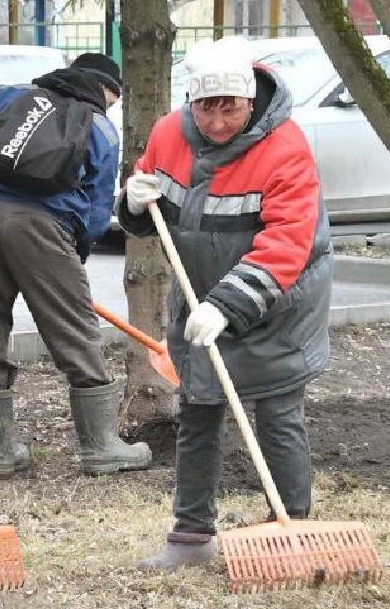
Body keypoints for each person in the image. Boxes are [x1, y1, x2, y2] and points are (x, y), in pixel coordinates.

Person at [117, 37, 332, 571]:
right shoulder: (171, 134)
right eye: (204, 107)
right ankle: (190, 538)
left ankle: (294, 531)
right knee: (199, 407)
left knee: (278, 411)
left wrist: (228, 305)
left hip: (282, 296)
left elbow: (286, 243)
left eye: (228, 107)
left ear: (249, 99)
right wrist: (134, 201)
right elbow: (157, 211)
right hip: (198, 290)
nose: (215, 121)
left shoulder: (286, 148)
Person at [0, 52, 150, 478]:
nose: (110, 106)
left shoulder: (13, 97)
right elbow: (96, 212)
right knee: (73, 330)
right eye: (112, 99)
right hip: (43, 224)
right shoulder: (101, 129)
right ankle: (101, 446)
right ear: (105, 90)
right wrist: (73, 261)